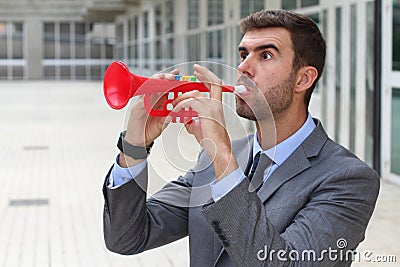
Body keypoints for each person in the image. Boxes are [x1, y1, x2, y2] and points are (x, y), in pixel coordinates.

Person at [102, 9, 380, 266]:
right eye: (243, 54)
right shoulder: (213, 158)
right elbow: (127, 238)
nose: (244, 68)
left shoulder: (349, 179)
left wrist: (223, 158)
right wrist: (135, 146)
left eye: (266, 55)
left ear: (303, 80)